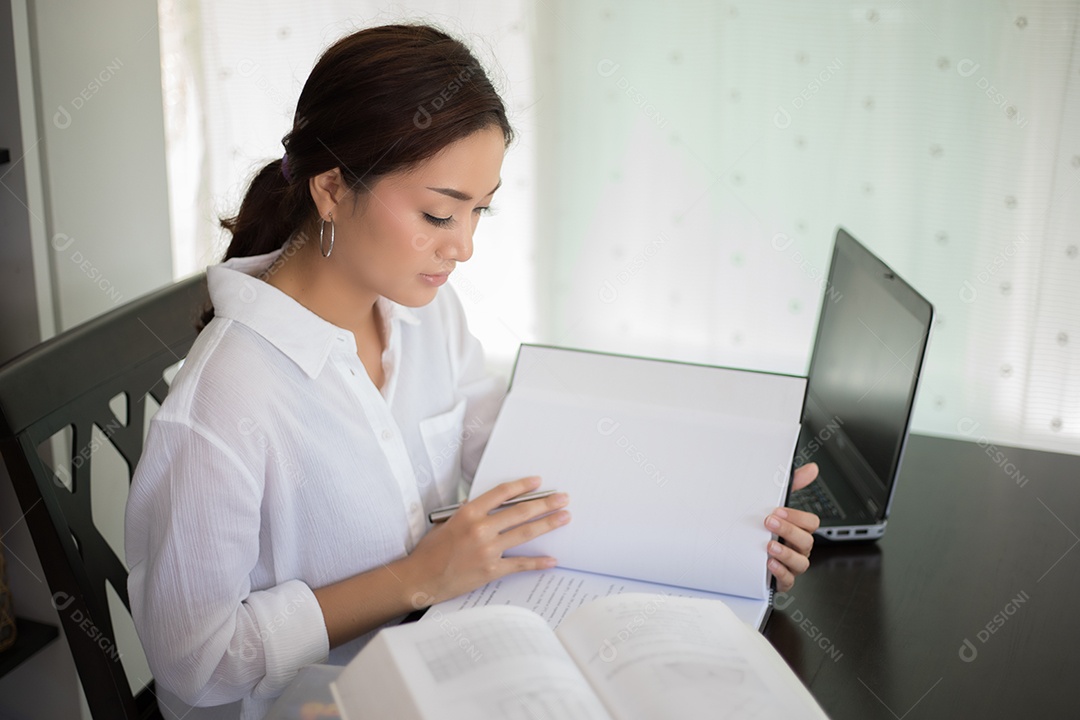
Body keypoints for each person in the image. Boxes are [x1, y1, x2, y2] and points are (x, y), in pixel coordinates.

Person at [125, 23, 821, 719]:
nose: (463, 246)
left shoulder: (426, 314)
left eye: (479, 211)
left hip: (445, 658)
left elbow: (513, 460)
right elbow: (197, 663)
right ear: (332, 190)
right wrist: (414, 579)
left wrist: (726, 521)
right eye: (438, 212)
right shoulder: (225, 402)